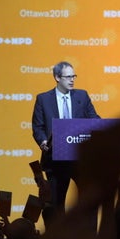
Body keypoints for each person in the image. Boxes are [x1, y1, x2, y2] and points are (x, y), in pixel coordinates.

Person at [31, 61, 100, 213]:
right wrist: (43, 141)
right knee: (56, 206)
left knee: (88, 204)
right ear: (57, 77)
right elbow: (38, 127)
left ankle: (87, 236)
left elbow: (94, 119)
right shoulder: (43, 99)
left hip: (80, 159)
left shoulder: (82, 95)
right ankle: (58, 236)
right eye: (68, 77)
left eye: (73, 76)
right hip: (55, 160)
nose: (72, 80)